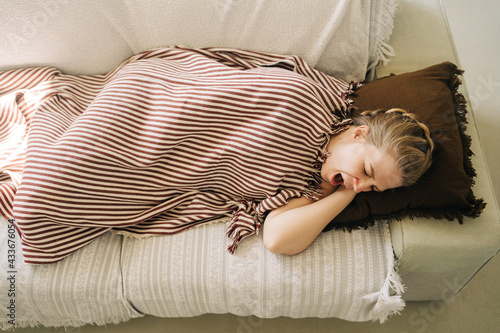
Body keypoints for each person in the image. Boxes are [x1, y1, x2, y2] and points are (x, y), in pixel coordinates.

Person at [263, 108, 435, 255]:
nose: (359, 187)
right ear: (359, 134)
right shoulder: (309, 109)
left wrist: (345, 193)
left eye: (373, 187)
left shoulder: (326, 184)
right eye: (366, 170)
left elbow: (275, 239)